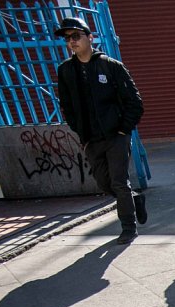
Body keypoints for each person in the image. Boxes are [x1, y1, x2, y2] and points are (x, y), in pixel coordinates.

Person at [55, 17, 146, 245]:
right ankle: (135, 200)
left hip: (116, 135)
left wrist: (125, 129)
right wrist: (79, 131)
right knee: (104, 183)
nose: (72, 42)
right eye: (68, 38)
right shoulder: (66, 70)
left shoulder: (110, 65)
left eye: (76, 36)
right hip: (91, 137)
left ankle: (128, 227)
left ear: (90, 37)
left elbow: (134, 101)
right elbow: (66, 104)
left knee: (118, 181)